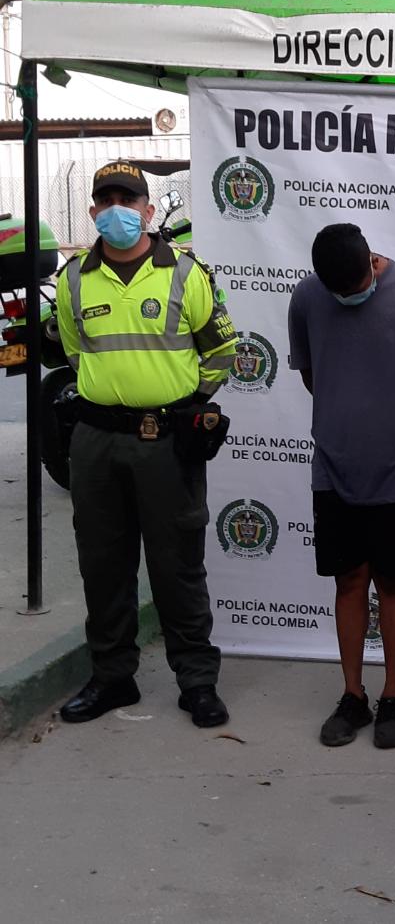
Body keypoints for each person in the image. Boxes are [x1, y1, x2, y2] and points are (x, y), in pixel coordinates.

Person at [55, 160, 237, 727]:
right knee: (103, 564)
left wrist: (186, 406)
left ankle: (197, 682)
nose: (117, 211)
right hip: (96, 443)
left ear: (149, 212)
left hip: (167, 444)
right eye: (105, 201)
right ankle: (112, 679)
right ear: (92, 212)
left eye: (127, 201)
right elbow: (74, 354)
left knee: (177, 563)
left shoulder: (186, 273)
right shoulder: (74, 280)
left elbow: (223, 350)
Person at [287, 224, 395, 749]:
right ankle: (353, 696)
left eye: (357, 286)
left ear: (374, 261)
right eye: (338, 292)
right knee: (348, 580)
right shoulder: (306, 297)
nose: (348, 297)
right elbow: (311, 373)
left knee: (394, 582)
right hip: (334, 468)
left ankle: (394, 696)